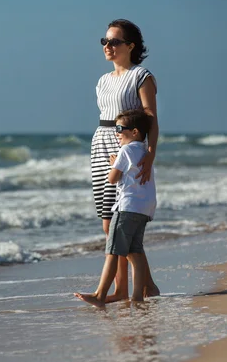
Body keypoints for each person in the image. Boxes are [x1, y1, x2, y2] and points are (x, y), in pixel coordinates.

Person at [87, 19, 159, 302]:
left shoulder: (142, 76)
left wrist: (150, 155)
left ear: (130, 46)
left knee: (119, 220)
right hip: (102, 145)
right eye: (105, 41)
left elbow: (151, 119)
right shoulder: (103, 81)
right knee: (107, 221)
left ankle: (126, 289)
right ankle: (137, 287)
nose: (108, 46)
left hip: (129, 150)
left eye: (114, 41)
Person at [74, 109, 156, 307]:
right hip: (144, 209)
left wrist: (114, 165)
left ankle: (100, 295)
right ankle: (137, 296)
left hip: (126, 207)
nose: (116, 132)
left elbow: (112, 178)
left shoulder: (126, 150)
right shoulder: (145, 153)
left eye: (119, 128)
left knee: (112, 251)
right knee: (134, 253)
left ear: (135, 132)